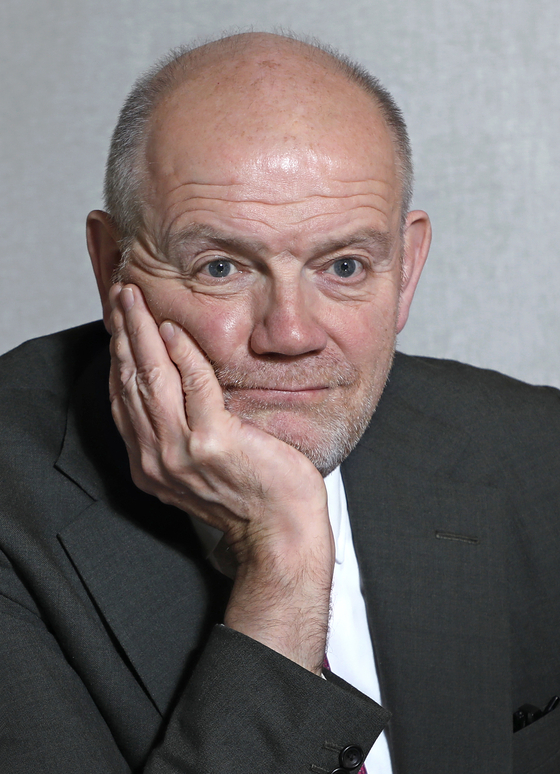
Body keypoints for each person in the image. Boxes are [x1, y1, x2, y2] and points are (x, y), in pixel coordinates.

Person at [0, 31, 559, 774]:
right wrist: (284, 569)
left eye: (345, 265)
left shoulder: (538, 455)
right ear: (112, 270)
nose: (290, 334)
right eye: (222, 266)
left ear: (409, 267)